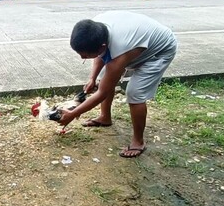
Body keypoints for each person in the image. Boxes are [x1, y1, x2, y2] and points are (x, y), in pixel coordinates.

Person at [59, 11, 177, 158]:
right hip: (136, 43)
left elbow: (102, 92)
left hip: (159, 51)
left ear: (102, 46)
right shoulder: (95, 29)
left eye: (85, 55)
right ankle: (105, 117)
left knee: (135, 93)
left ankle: (138, 141)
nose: (82, 57)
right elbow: (101, 55)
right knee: (104, 79)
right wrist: (92, 78)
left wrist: (73, 114)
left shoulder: (120, 48)